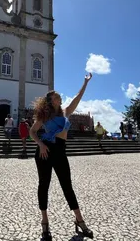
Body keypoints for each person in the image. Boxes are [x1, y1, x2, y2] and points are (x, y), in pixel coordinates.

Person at [29, 73, 94, 241]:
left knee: (67, 186)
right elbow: (32, 132)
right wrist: (41, 144)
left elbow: (78, 97)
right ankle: (45, 223)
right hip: (45, 150)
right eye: (56, 97)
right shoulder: (44, 116)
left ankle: (79, 220)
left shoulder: (65, 112)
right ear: (50, 101)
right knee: (44, 185)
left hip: (60, 150)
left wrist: (85, 82)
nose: (59, 97)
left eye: (59, 96)